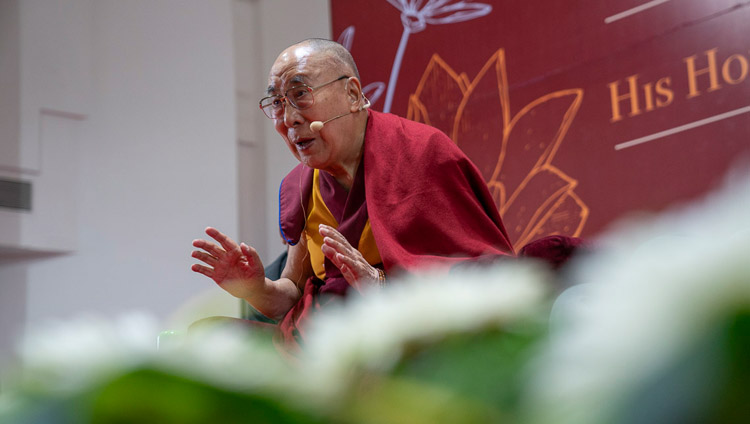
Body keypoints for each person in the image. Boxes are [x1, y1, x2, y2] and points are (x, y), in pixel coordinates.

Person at [191, 38, 514, 349]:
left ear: (353, 94)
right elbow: (292, 296)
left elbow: (488, 280)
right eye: (277, 103)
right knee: (204, 339)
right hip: (322, 339)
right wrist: (255, 288)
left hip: (403, 335)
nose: (289, 119)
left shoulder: (422, 153)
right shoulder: (303, 184)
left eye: (300, 93)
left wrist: (380, 286)